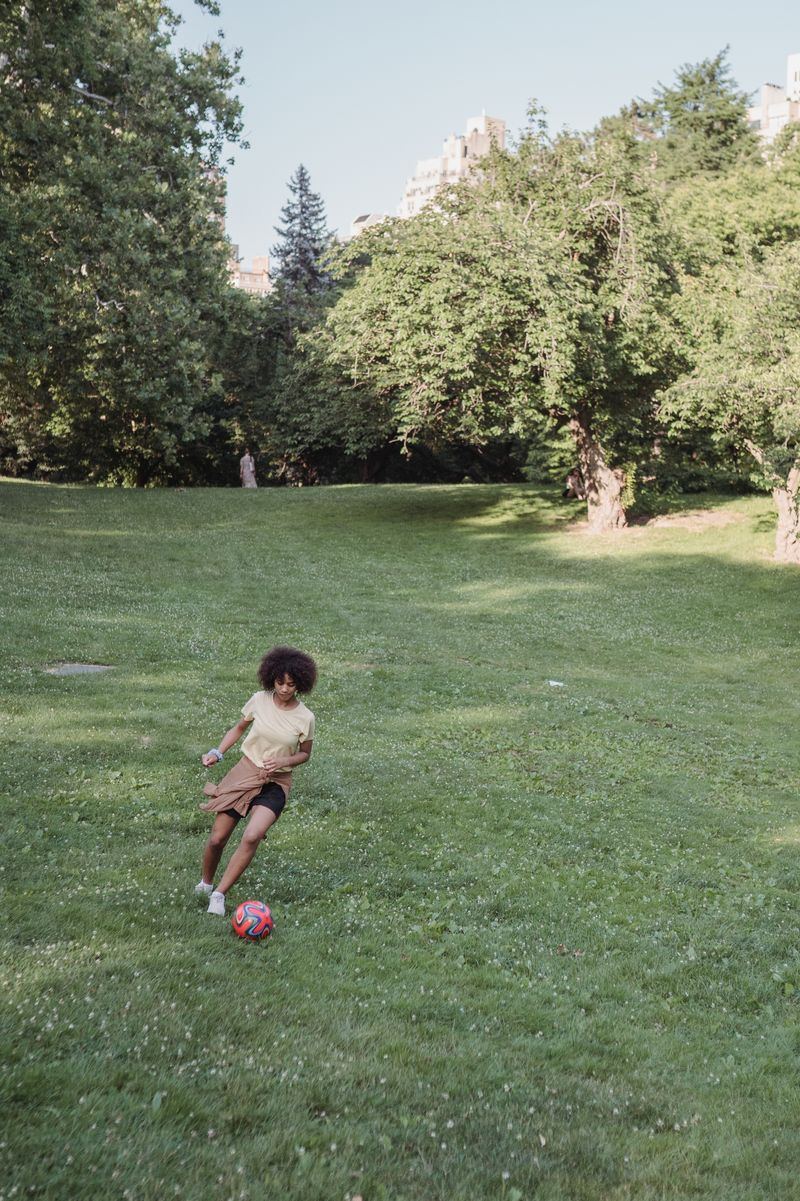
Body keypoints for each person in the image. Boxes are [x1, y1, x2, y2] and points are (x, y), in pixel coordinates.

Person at [195, 646, 317, 915]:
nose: (285, 689)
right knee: (217, 839)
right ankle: (206, 882)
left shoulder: (305, 717)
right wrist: (217, 752)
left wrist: (285, 761)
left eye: (291, 684)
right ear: (271, 678)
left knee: (253, 835)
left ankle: (219, 895)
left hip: (276, 783)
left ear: (300, 684)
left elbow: (305, 754)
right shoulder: (259, 700)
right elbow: (239, 727)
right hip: (244, 772)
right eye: (280, 683)